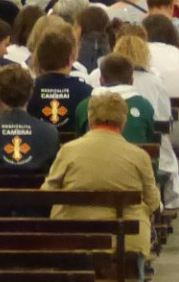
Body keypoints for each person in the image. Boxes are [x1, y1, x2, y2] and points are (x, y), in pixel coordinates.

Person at [43, 90, 160, 266]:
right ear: (123, 121)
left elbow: (48, 193)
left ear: (90, 120)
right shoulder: (139, 156)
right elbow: (153, 202)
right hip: (125, 243)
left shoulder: (69, 150)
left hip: (75, 238)